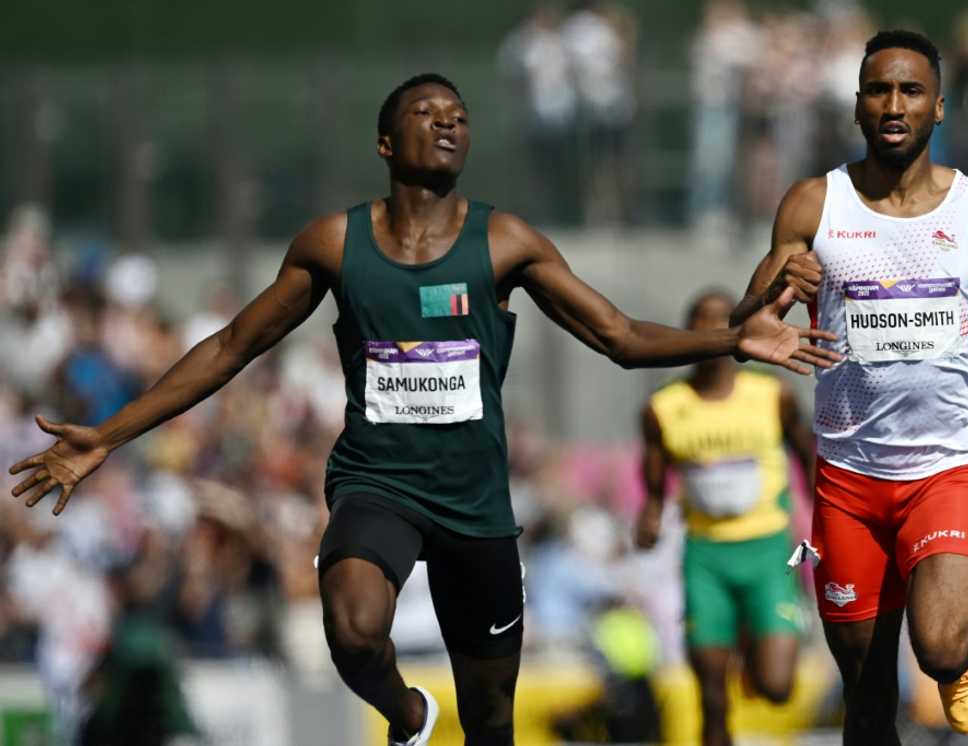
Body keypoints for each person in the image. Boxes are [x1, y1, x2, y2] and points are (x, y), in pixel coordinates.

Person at [8, 74, 840, 746]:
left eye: (460, 116)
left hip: (477, 503)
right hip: (380, 483)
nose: (448, 125)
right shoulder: (335, 244)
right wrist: (109, 437)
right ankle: (406, 715)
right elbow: (230, 348)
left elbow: (618, 335)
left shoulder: (506, 241)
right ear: (384, 142)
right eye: (425, 114)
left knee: (491, 724)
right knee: (354, 627)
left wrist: (734, 339)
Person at [730, 31, 968, 745]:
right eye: (878, 91)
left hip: (945, 467)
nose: (894, 104)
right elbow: (746, 326)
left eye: (910, 91)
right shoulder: (812, 204)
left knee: (940, 648)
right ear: (857, 106)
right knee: (865, 698)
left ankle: (963, 647)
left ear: (939, 107)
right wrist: (774, 292)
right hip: (848, 481)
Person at [634, 289, 815, 746]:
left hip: (769, 550)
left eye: (723, 320)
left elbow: (806, 453)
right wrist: (651, 514)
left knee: (777, 688)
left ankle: (754, 644)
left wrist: (828, 507)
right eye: (702, 321)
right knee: (712, 696)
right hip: (705, 556)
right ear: (687, 331)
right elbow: (655, 479)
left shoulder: (772, 396)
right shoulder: (664, 407)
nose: (713, 330)